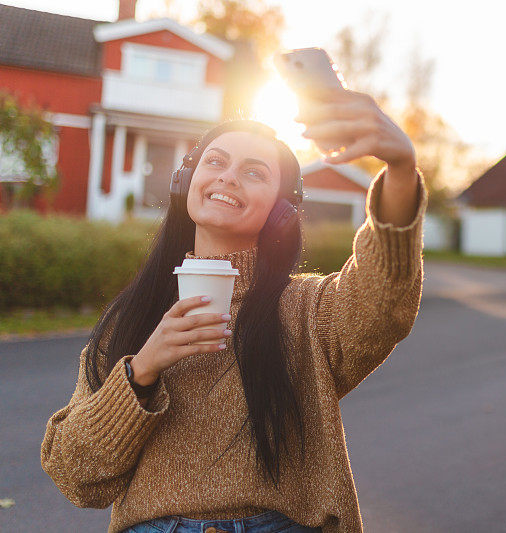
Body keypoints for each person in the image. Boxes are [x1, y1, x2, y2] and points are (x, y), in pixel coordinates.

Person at [40, 86, 428, 533]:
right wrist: (142, 370)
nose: (227, 178)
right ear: (185, 183)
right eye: (216, 162)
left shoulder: (309, 310)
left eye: (254, 173)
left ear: (282, 210)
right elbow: (76, 477)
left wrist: (401, 169)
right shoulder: (133, 318)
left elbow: (385, 299)